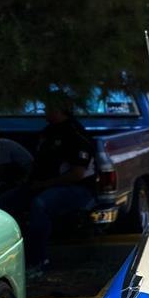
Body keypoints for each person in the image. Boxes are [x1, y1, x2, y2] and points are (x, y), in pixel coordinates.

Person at [24, 95, 97, 276]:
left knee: (40, 204)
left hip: (78, 189)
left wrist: (44, 184)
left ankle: (38, 261)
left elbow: (77, 173)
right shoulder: (48, 133)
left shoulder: (75, 134)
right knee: (5, 202)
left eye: (49, 107)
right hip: (41, 184)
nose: (44, 111)